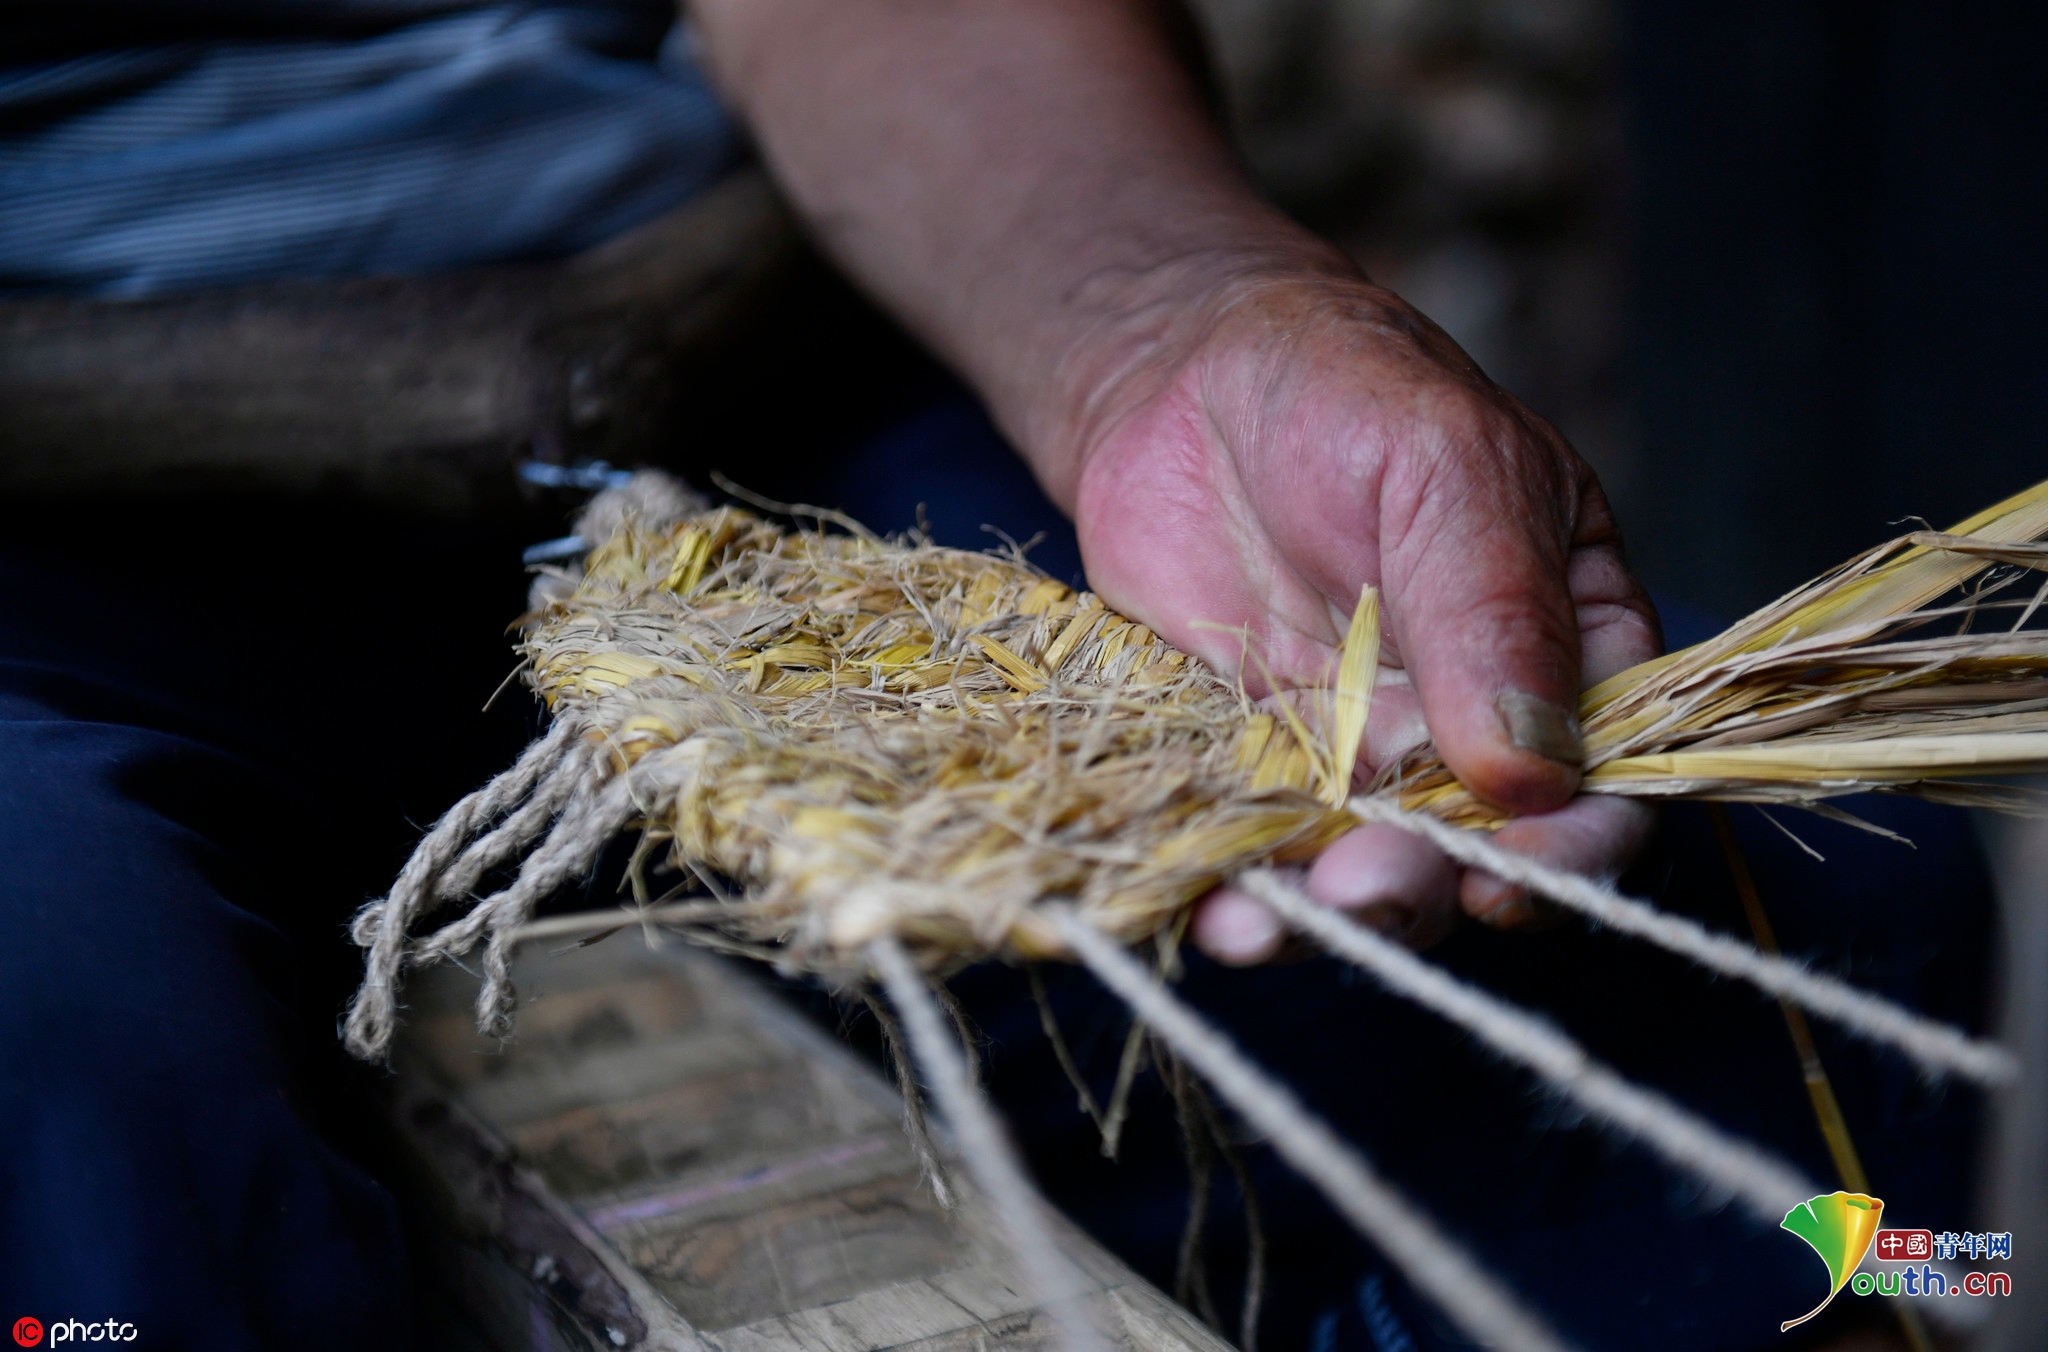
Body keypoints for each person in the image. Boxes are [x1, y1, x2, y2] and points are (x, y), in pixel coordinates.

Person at [0, 3, 1991, 1350]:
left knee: (1806, 893)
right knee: (85, 1124)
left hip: (716, 383)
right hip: (58, 513)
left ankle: (1928, 1278)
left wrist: (1162, 320)